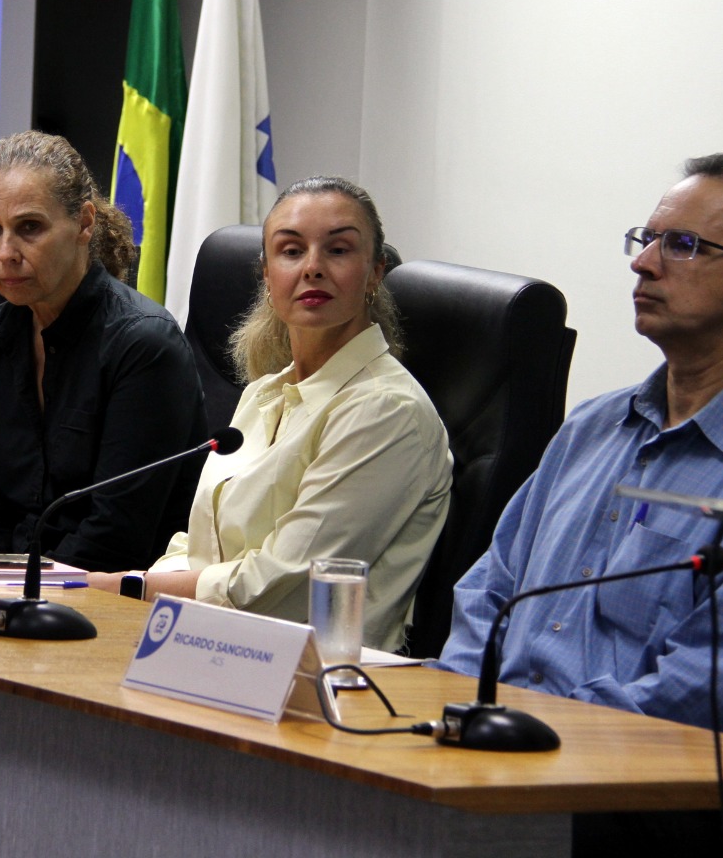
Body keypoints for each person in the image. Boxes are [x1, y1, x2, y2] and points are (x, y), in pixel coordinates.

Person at [440, 154, 723, 752]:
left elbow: (714, 697)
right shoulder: (592, 427)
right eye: (648, 239)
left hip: (636, 778)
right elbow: (488, 591)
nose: (644, 263)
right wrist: (460, 711)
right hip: (498, 748)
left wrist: (534, 739)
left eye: (682, 245)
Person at [87, 177, 453, 654]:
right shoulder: (264, 393)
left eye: (338, 250)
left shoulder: (388, 411)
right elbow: (198, 546)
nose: (313, 267)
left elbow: (281, 585)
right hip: (210, 649)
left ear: (375, 272)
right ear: (266, 273)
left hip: (320, 677)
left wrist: (127, 588)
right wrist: (135, 591)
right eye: (291, 251)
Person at [0, 132, 209, 572]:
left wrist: (15, 593)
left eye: (29, 228)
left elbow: (114, 539)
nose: (5, 253)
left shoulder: (144, 345)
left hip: (115, 596)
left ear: (85, 223)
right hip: (8, 588)